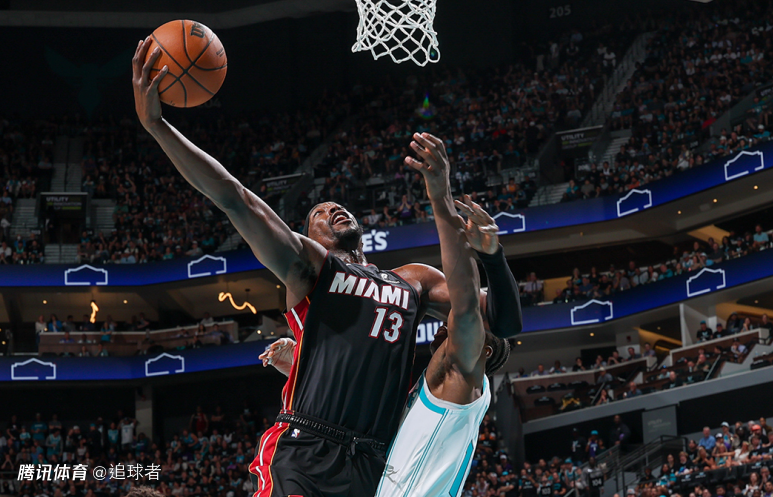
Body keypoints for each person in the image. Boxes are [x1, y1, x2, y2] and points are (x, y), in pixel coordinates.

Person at [132, 41, 522, 497]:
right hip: (307, 448)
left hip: (373, 461)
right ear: (307, 238)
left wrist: (491, 255)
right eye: (319, 212)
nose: (333, 208)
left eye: (338, 206)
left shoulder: (413, 280)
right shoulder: (312, 269)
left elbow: (500, 322)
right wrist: (157, 126)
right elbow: (234, 198)